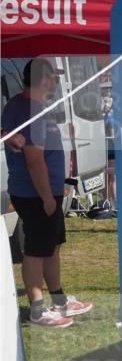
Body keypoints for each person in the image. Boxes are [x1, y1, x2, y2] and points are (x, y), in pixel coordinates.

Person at [1, 59, 93, 328]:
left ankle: (60, 301)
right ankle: (38, 310)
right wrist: (46, 197)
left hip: (45, 192)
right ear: (44, 79)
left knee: (51, 247)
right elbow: (34, 160)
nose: (56, 83)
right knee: (36, 250)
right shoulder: (29, 109)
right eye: (53, 78)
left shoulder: (31, 107)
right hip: (35, 194)